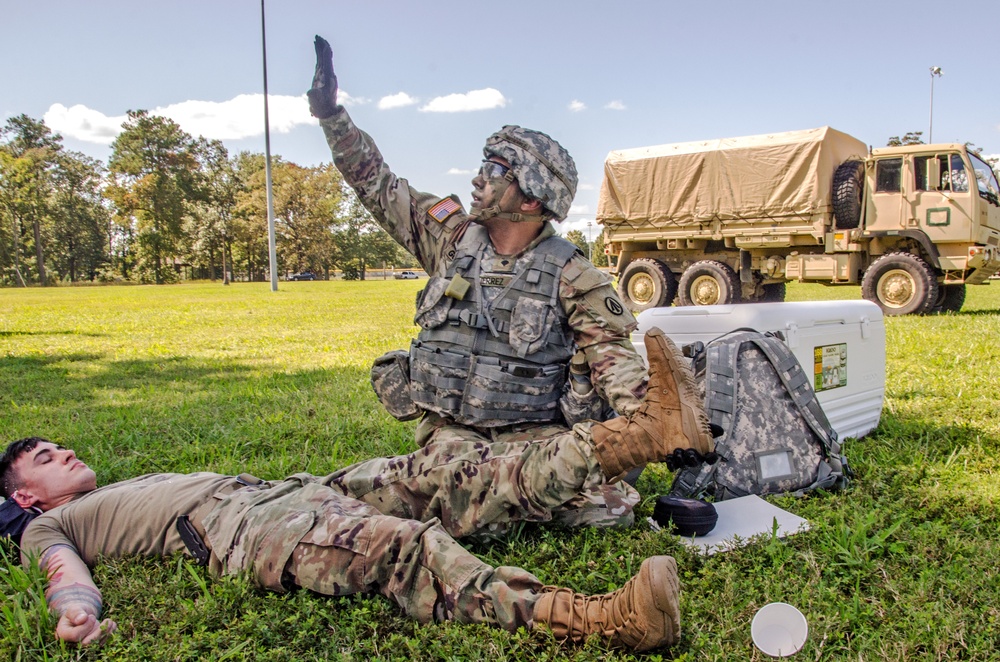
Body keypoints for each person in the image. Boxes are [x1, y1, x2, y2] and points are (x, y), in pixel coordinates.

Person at [308, 36, 714, 537]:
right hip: (449, 435)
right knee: (469, 486)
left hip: (532, 442)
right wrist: (331, 115)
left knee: (607, 508)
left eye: (494, 171)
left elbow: (616, 365)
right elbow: (375, 181)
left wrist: (652, 420)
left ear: (530, 199)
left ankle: (458, 497)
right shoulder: (449, 237)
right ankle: (473, 495)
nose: (478, 179)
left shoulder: (573, 276)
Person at [1, 437, 680, 651]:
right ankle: (596, 620)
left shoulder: (112, 487)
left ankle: (635, 437)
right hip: (245, 529)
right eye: (40, 456)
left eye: (56, 446)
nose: (58, 451)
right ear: (23, 495)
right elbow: (64, 572)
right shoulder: (44, 526)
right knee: (403, 549)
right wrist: (74, 609)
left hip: (287, 487)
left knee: (439, 474)